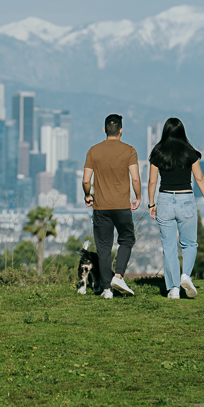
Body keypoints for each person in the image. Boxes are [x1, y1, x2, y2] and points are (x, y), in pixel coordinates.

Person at [148, 117, 204, 299]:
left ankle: (173, 288)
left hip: (165, 200)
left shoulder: (158, 152)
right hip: (186, 200)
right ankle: (185, 276)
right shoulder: (189, 152)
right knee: (189, 244)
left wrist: (151, 203)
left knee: (169, 247)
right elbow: (199, 178)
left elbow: (152, 181)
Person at [83, 113, 141, 298]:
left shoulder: (93, 150)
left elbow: (86, 180)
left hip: (101, 207)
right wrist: (138, 197)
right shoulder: (130, 151)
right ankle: (119, 275)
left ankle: (107, 289)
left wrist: (87, 195)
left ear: (104, 130)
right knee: (127, 239)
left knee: (103, 248)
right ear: (121, 131)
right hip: (122, 206)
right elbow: (136, 178)